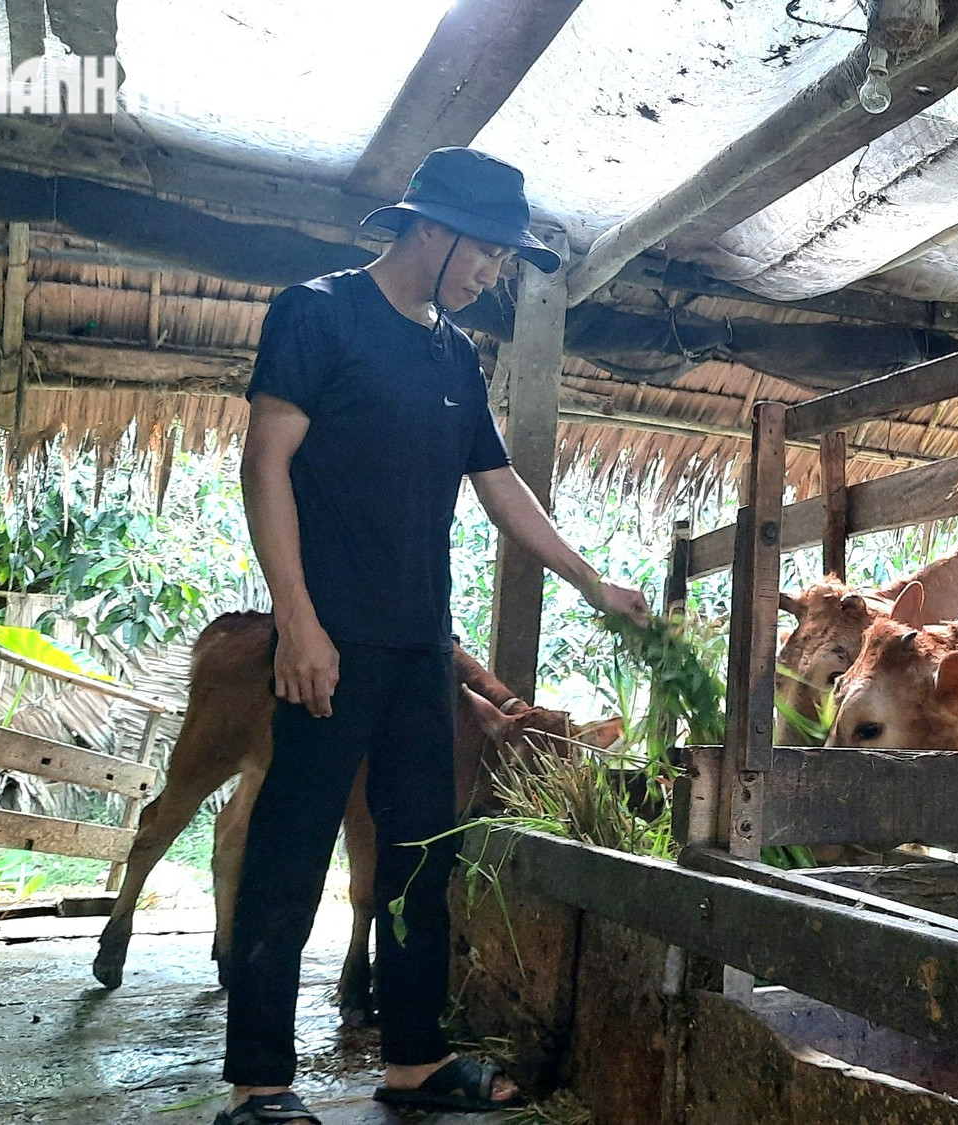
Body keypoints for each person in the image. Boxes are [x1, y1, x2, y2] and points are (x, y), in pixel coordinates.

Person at [218, 147, 650, 1124]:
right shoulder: (316, 312)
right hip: (328, 642)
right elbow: (265, 464)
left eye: (503, 259)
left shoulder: (454, 353)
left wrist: (589, 581)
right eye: (487, 252)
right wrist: (296, 619)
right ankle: (259, 1083)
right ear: (428, 227)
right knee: (292, 849)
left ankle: (412, 1062)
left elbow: (499, 486)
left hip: (421, 649)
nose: (493, 272)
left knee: (422, 856)